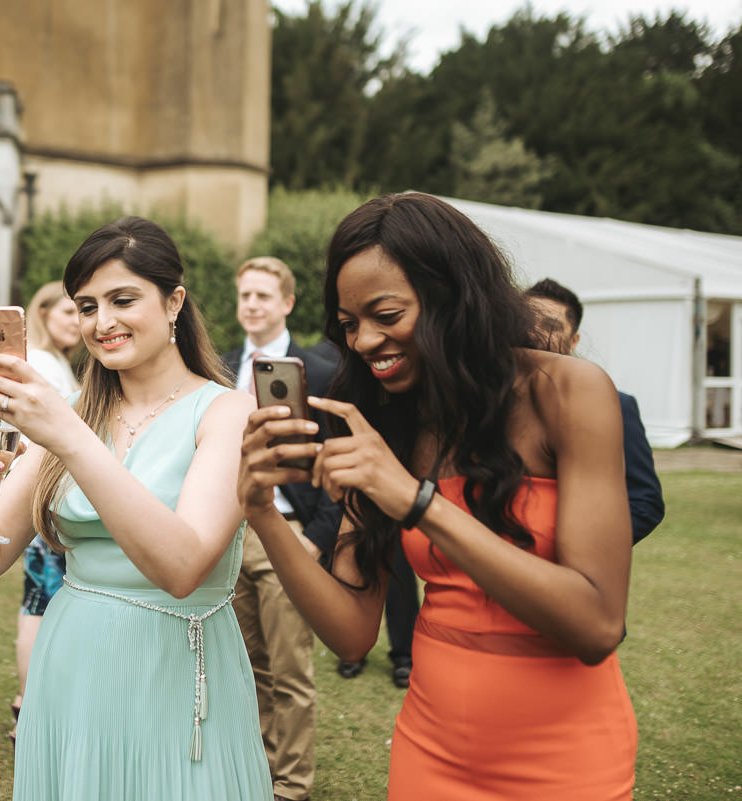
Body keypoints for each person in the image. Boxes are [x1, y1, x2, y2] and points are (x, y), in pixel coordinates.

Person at [238, 193, 637, 800]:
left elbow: (597, 623)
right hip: (431, 753)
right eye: (349, 325)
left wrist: (417, 502)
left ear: (452, 294)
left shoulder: (568, 392)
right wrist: (263, 515)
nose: (365, 341)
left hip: (566, 757)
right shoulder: (381, 419)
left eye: (386, 314)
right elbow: (350, 633)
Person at [0, 216, 271, 799]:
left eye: (123, 299)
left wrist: (69, 437)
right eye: (87, 306)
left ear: (174, 301)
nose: (103, 322)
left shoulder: (227, 413)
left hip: (174, 669)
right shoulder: (69, 410)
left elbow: (182, 566)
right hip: (71, 663)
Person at [222, 256, 339, 801]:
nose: (251, 304)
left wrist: (318, 537)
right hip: (229, 534)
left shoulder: (319, 368)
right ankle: (256, 769)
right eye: (245, 295)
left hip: (292, 535)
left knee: (290, 670)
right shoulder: (219, 368)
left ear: (287, 303)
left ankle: (290, 787)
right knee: (245, 669)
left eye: (263, 296)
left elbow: (342, 460)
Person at [312, 339, 420, 688]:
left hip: (401, 472)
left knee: (400, 570)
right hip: (356, 484)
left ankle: (403, 653)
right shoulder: (341, 367)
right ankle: (352, 655)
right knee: (354, 559)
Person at [525, 277, 665, 543]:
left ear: (574, 340)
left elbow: (644, 503)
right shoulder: (489, 400)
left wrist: (575, 552)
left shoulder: (615, 405)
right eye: (526, 321)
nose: (534, 332)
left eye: (550, 326)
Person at [11, 280, 82, 740]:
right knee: (38, 600)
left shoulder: (56, 362)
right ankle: (28, 702)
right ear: (43, 314)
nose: (77, 322)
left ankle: (30, 702)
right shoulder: (40, 363)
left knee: (39, 600)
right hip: (47, 492)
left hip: (52, 489)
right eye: (68, 313)